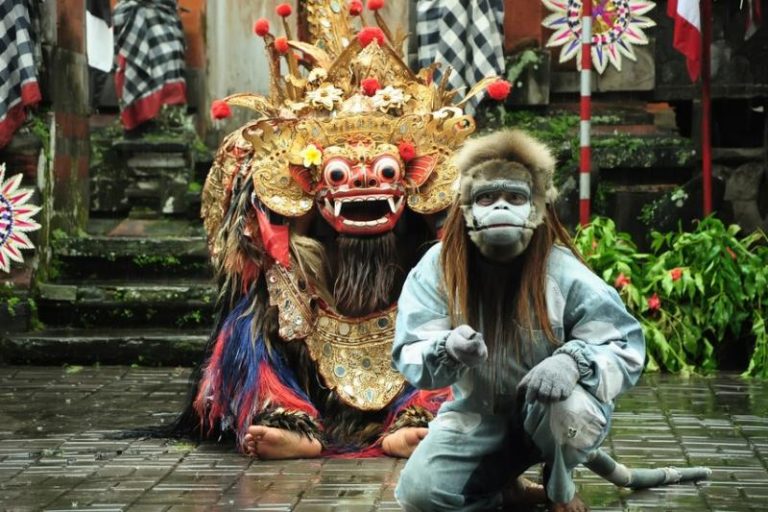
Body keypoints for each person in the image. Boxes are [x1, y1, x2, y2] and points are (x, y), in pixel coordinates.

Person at [392, 129, 710, 511]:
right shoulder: (440, 269)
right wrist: (446, 348)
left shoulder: (561, 271)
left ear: (537, 208)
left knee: (564, 409)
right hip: (479, 415)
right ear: (466, 208)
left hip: (558, 414)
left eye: (514, 198)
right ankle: (505, 487)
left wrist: (571, 362)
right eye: (487, 198)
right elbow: (409, 350)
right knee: (418, 495)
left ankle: (560, 482)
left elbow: (625, 348)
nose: (500, 210)